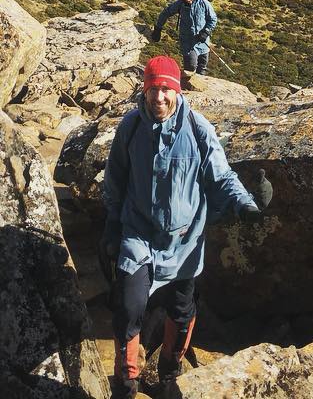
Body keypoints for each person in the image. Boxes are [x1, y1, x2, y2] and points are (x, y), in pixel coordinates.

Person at [101, 55, 264, 398]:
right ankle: (127, 383)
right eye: (152, 89)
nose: (158, 97)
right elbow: (115, 180)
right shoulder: (130, 128)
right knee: (128, 306)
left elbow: (220, 176)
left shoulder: (198, 128)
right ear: (143, 91)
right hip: (139, 234)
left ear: (176, 90)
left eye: (165, 89)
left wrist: (246, 204)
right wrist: (112, 227)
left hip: (185, 240)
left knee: (182, 308)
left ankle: (169, 374)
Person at [152, 0, 217, 75]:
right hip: (187, 41)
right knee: (191, 66)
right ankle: (186, 85)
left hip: (202, 40)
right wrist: (158, 28)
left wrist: (206, 31)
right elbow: (165, 13)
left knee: (202, 67)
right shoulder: (180, 4)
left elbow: (213, 19)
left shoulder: (204, 4)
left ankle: (198, 86)